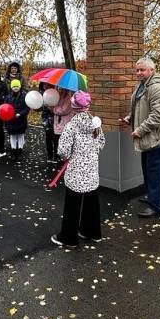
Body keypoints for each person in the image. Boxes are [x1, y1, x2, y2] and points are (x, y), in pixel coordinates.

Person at [120, 56, 160, 219]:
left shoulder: (158, 88)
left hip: (157, 139)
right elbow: (139, 108)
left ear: (152, 70)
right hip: (148, 138)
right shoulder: (142, 86)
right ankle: (154, 197)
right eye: (137, 70)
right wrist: (130, 118)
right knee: (148, 171)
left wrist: (140, 130)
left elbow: (158, 116)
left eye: (142, 70)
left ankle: (156, 207)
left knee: (154, 173)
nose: (139, 73)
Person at [51, 91, 105, 248]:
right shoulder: (95, 124)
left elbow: (63, 151)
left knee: (72, 206)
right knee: (91, 202)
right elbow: (101, 142)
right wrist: (91, 153)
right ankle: (91, 232)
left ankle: (68, 238)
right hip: (91, 170)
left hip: (75, 172)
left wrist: (69, 156)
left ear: (74, 107)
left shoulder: (71, 126)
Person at [4, 79, 29, 160]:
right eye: (14, 86)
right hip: (11, 120)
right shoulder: (8, 97)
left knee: (20, 135)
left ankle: (20, 150)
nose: (15, 88)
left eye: (17, 86)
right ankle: (14, 150)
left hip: (21, 120)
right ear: (11, 87)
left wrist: (20, 114)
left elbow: (26, 108)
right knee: (13, 136)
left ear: (20, 87)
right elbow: (5, 107)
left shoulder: (24, 96)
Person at [51, 89, 75, 166]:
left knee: (63, 143)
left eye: (61, 88)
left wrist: (53, 109)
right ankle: (59, 159)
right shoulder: (59, 96)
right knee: (57, 142)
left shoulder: (69, 98)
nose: (60, 90)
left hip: (64, 124)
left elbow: (63, 110)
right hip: (58, 123)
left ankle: (63, 161)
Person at [39, 82, 57, 164]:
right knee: (48, 138)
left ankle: (56, 155)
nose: (45, 86)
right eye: (44, 84)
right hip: (46, 119)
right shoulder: (41, 94)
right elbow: (39, 107)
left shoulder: (54, 93)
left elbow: (56, 108)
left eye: (47, 84)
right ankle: (49, 155)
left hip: (55, 119)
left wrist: (50, 108)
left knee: (56, 138)